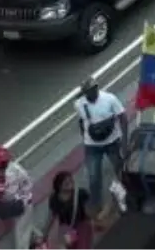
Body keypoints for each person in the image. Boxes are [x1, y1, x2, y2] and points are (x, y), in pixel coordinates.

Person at [74, 79, 127, 219]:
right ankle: (96, 204)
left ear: (96, 88)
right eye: (86, 92)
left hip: (112, 142)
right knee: (93, 177)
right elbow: (81, 120)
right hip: (92, 145)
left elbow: (122, 117)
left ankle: (123, 198)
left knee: (121, 170)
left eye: (91, 91)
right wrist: (84, 137)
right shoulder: (79, 104)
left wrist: (125, 142)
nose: (89, 94)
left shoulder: (110, 99)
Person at [0, 146, 33, 250]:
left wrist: (21, 199)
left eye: (2, 162)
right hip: (6, 204)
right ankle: (39, 240)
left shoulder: (16, 170)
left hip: (22, 203)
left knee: (21, 232)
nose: (1, 165)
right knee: (25, 227)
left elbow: (28, 184)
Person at [44, 170, 94, 250]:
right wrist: (44, 234)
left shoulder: (80, 194)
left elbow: (89, 210)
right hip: (66, 230)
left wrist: (93, 221)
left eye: (70, 181)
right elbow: (51, 217)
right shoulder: (54, 199)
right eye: (66, 182)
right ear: (59, 186)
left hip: (82, 227)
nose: (70, 183)